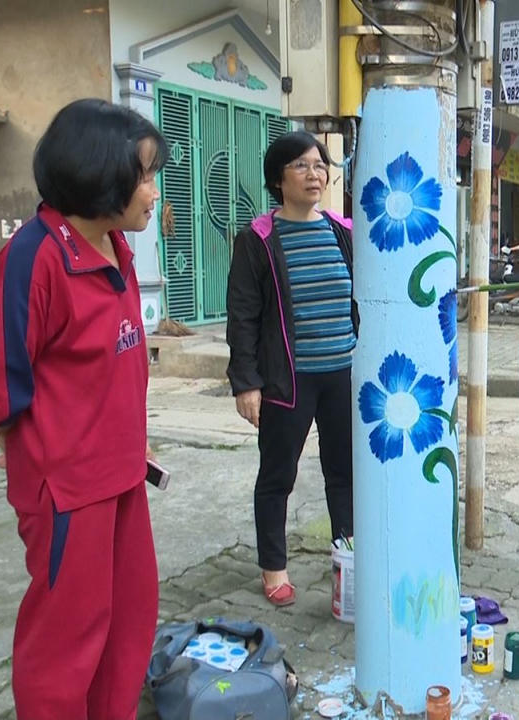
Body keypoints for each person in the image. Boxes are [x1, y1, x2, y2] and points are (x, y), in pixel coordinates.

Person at [0, 98, 166, 718]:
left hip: (122, 474)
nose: (154, 192)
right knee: (67, 640)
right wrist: (24, 448)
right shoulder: (35, 258)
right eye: (144, 176)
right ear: (101, 174)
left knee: (128, 621)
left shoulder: (115, 247)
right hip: (68, 490)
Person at [226, 131, 356, 608]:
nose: (314, 174)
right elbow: (242, 314)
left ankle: (347, 559)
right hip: (288, 380)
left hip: (343, 374)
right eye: (301, 166)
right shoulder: (258, 239)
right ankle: (274, 567)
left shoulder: (342, 231)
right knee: (278, 475)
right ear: (278, 180)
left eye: (320, 165)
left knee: (344, 473)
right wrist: (246, 383)